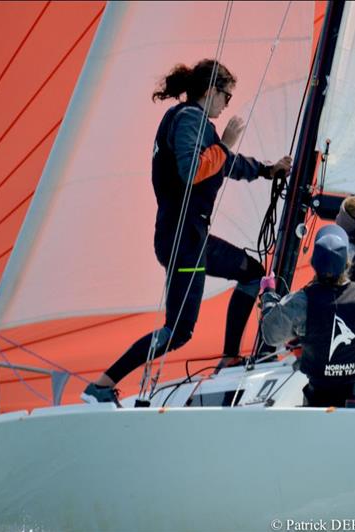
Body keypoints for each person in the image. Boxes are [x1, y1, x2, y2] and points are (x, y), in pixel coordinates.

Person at [82, 58, 291, 406]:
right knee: (178, 332)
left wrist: (268, 170)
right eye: (226, 95)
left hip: (191, 240)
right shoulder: (190, 119)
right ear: (211, 91)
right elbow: (193, 169)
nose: (227, 104)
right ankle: (101, 386)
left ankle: (228, 359)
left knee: (253, 273)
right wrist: (224, 144)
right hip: (182, 243)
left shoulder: (194, 124)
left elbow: (224, 165)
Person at [259, 225, 355, 407]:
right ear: (347, 262)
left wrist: (268, 296)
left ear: (314, 263)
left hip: (318, 400)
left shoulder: (301, 301)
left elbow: (270, 336)